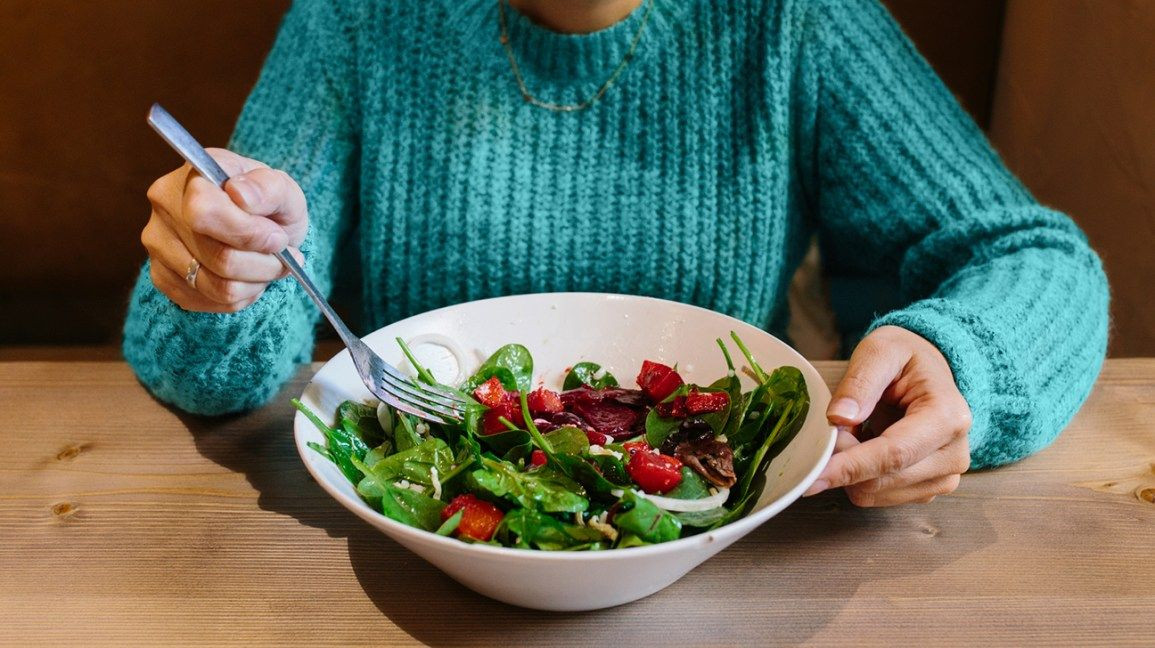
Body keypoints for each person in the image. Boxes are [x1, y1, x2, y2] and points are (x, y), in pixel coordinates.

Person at [124, 0, 1110, 507]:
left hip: (732, 556)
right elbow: (224, 356)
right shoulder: (357, 19)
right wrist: (220, 277)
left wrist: (961, 358)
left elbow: (1034, 259)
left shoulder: (796, 20)